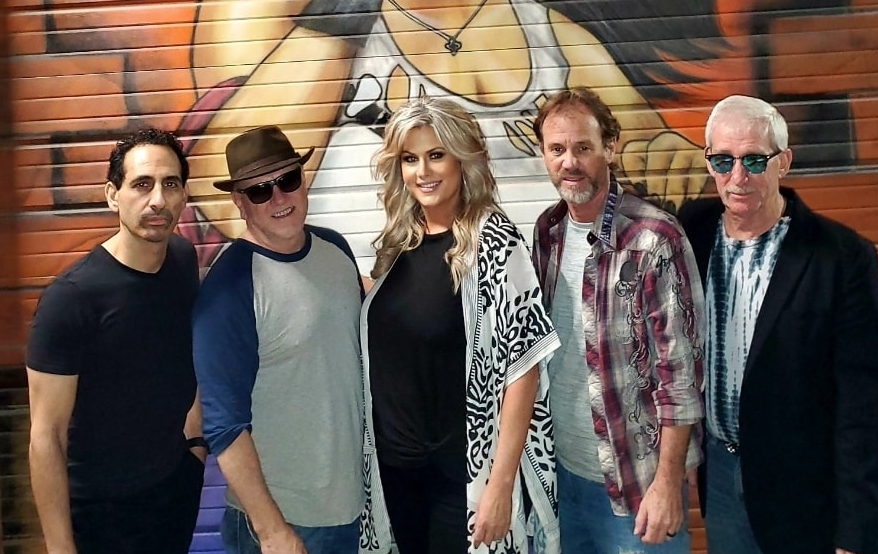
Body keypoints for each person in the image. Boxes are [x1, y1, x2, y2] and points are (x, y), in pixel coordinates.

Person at [181, 0, 717, 271]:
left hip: (522, 323)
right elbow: (218, 190)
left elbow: (644, 143)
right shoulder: (342, 31)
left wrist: (667, 158)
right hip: (378, 323)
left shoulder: (546, 30)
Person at [677, 95, 878, 554]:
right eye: (723, 160)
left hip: (806, 494)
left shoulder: (842, 257)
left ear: (784, 163)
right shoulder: (689, 232)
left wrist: (857, 535)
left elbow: (864, 408)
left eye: (755, 160)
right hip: (720, 475)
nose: (737, 178)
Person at [362, 97, 561, 553]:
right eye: (410, 159)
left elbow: (524, 369)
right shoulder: (397, 243)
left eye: (436, 155)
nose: (423, 172)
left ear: (462, 159)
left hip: (462, 477)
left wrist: (500, 484)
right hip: (398, 472)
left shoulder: (493, 240)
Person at [191, 125, 383, 554]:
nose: (279, 198)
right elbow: (224, 425)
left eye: (287, 180)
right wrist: (272, 530)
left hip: (353, 511)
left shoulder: (336, 250)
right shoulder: (230, 287)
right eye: (259, 190)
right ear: (240, 203)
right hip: (284, 526)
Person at [531, 87, 706, 553]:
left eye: (583, 147)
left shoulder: (654, 238)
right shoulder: (546, 233)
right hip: (564, 478)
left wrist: (668, 484)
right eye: (557, 149)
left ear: (610, 147)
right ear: (543, 154)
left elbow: (682, 376)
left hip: (637, 487)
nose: (570, 162)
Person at [26, 128, 204, 554]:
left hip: (170, 496)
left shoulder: (182, 259)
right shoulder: (72, 299)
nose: (157, 199)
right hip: (99, 518)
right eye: (142, 185)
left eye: (170, 184)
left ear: (183, 195)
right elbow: (45, 435)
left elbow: (185, 356)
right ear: (112, 195)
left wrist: (194, 451)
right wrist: (60, 548)